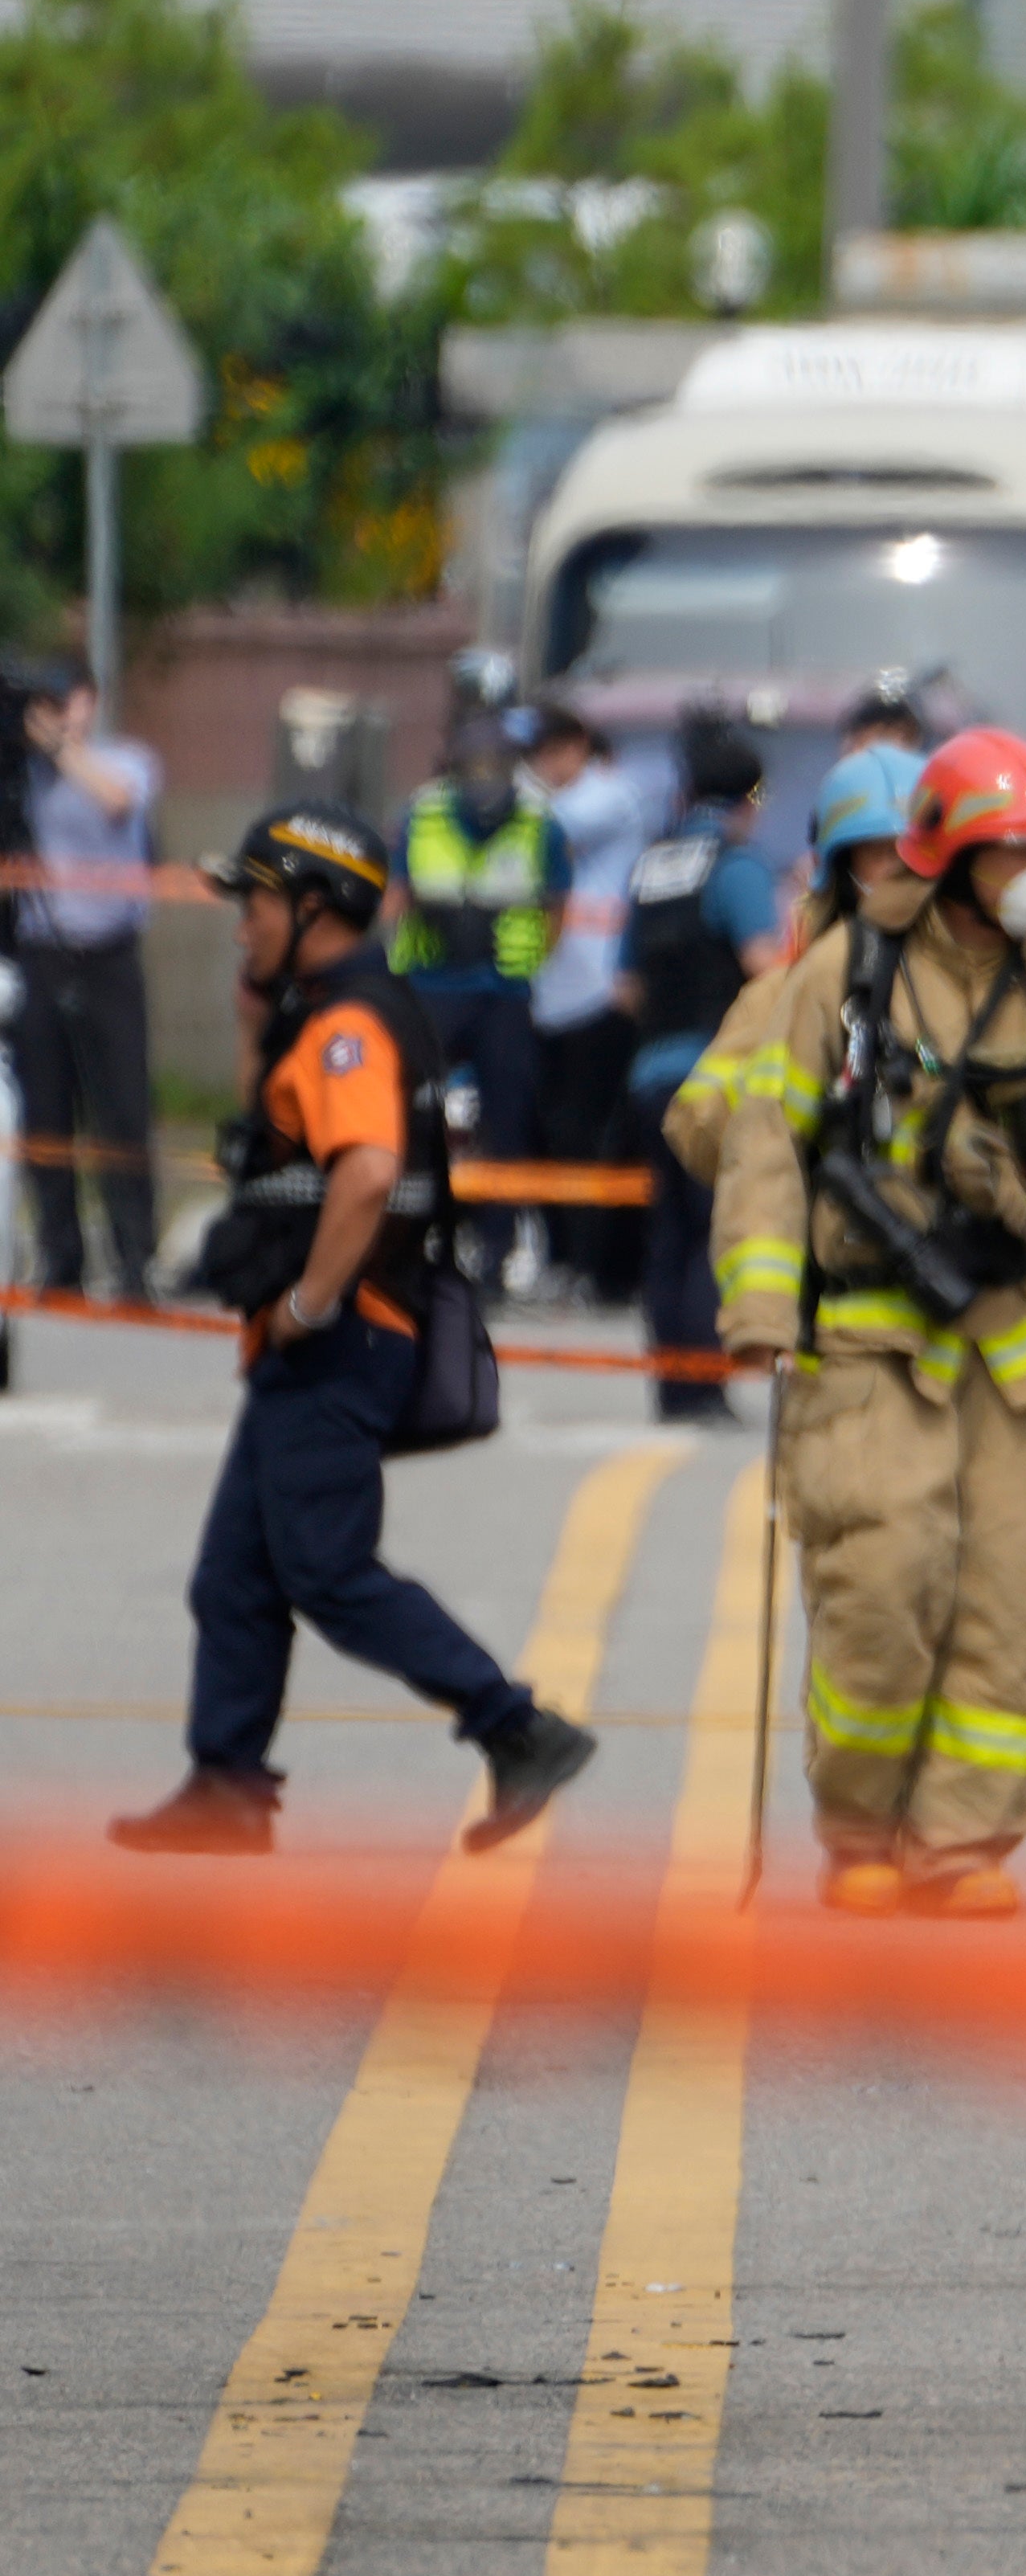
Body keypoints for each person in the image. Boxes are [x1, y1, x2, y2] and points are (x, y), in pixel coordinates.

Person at [712, 730, 1026, 1916]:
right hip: (873, 1342)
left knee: (1004, 1604)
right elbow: (768, 1145)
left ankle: (961, 1846)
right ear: (955, 859)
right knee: (881, 1588)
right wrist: (760, 1304)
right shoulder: (845, 975)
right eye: (1015, 851)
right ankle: (861, 1832)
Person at [112, 808, 599, 1857]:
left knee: (328, 1570)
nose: (240, 921)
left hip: (339, 1338)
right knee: (235, 1579)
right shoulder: (333, 1009)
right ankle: (226, 1784)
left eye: (256, 901)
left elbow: (368, 1173)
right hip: (324, 1342)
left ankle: (516, 1726)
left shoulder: (348, 1027)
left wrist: (308, 1304)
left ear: (315, 909)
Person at [621, 714, 786, 1426]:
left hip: (650, 1071)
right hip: (715, 1078)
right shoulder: (739, 867)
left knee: (667, 1238)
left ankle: (671, 1385)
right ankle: (703, 1388)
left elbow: (624, 986)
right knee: (709, 1232)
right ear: (749, 798)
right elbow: (763, 965)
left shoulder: (653, 864)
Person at [656, 744, 920, 1182]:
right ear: (838, 870)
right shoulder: (788, 990)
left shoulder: (1009, 974)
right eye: (879, 854)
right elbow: (697, 1129)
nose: (902, 875)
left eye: (914, 854)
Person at [388, 707, 570, 1292]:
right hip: (431, 985)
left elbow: (557, 906)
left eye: (499, 767)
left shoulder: (540, 824)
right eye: (476, 767)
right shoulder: (423, 815)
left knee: (506, 1120)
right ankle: (405, 1235)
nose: (487, 778)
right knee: (409, 1115)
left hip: (503, 992)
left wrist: (531, 961)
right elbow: (396, 899)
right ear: (456, 770)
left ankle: (494, 1251)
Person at [14, 656, 161, 1301]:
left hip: (109, 956)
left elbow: (117, 800)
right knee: (46, 1113)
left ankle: (133, 1258)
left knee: (121, 1112)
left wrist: (62, 746)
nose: (51, 713)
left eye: (63, 700)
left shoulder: (126, 759)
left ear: (90, 703)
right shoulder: (22, 774)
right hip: (43, 954)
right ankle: (60, 1255)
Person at [525, 704, 652, 1303]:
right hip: (547, 990)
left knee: (586, 1132)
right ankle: (561, 1257)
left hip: (601, 992)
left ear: (579, 746)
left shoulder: (610, 797)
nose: (541, 765)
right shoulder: (547, 801)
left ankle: (594, 1264)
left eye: (551, 751)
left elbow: (543, 831)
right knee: (547, 1131)